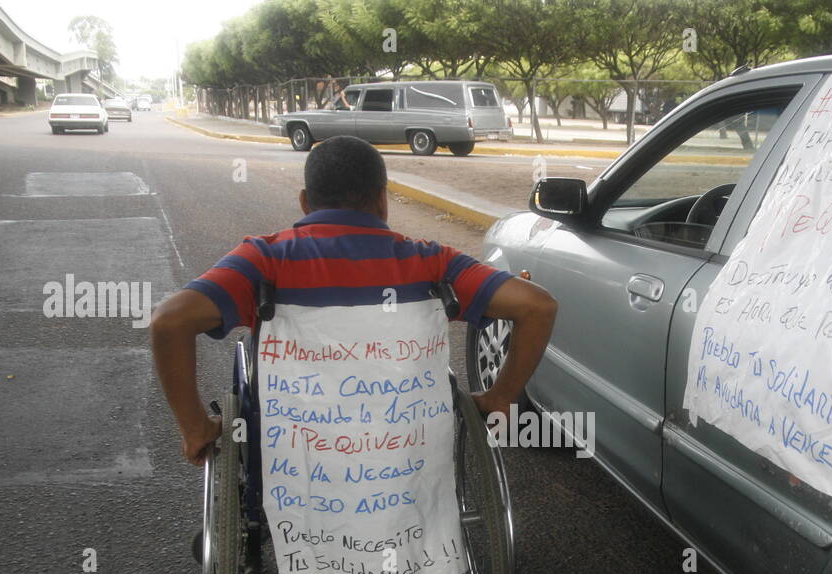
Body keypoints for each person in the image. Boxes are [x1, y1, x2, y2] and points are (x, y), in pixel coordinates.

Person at [151, 135, 557, 466]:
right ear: (382, 199)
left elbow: (169, 322)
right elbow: (538, 306)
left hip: (296, 443)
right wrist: (502, 397)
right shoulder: (433, 262)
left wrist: (195, 427)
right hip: (406, 440)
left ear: (305, 202)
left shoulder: (265, 260)